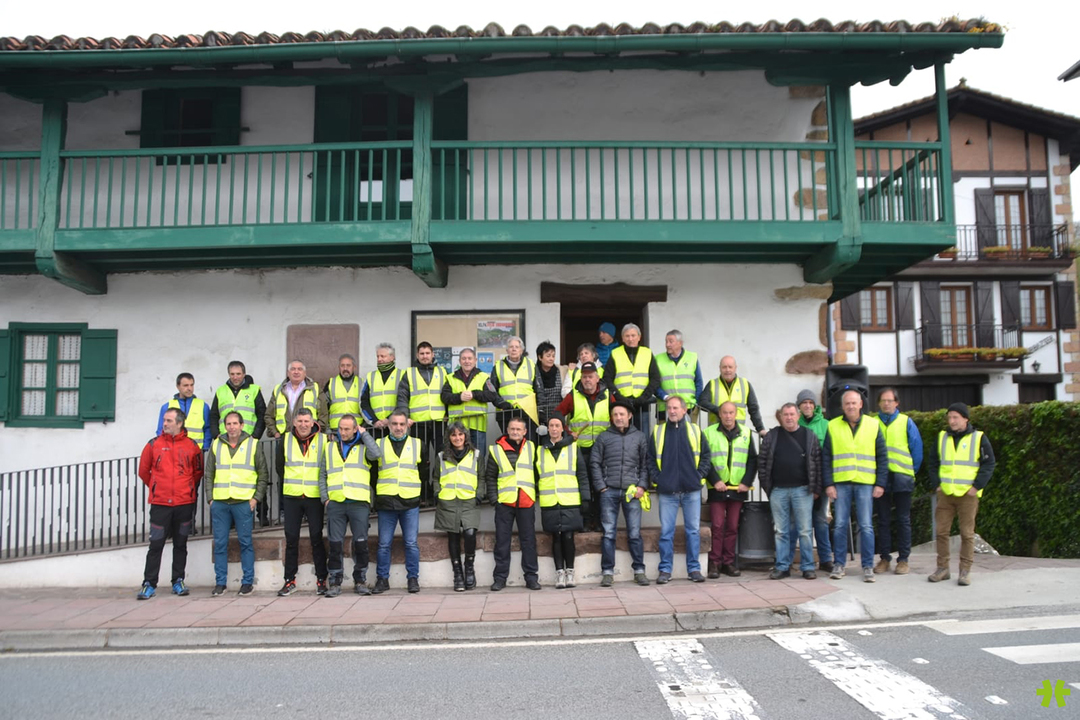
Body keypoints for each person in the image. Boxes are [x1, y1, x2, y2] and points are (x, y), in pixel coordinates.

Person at [137, 408, 204, 599]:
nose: (165, 424)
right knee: (155, 545)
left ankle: (178, 581)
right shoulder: (153, 444)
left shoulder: (192, 446)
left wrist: (186, 488)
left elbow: (198, 472)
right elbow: (143, 471)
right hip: (160, 504)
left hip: (184, 503)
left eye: (169, 421)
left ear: (179, 423)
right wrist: (157, 487)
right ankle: (149, 583)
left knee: (180, 544)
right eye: (164, 420)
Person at [822, 390, 887, 583]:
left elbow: (882, 456)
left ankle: (867, 566)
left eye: (854, 403)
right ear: (842, 406)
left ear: (860, 404)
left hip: (865, 482)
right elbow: (826, 457)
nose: (850, 406)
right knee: (840, 525)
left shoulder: (873, 425)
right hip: (841, 482)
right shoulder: (832, 425)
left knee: (866, 526)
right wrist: (828, 484)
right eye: (847, 403)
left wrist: (880, 483)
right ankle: (839, 564)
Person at [928, 403, 995, 586]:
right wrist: (937, 485)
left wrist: (976, 486)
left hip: (967, 494)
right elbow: (933, 462)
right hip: (946, 493)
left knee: (967, 534)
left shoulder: (978, 438)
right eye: (949, 417)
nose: (952, 421)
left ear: (966, 419)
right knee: (941, 532)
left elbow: (989, 464)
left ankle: (965, 571)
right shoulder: (942, 437)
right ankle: (942, 568)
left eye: (955, 417)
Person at [648, 396, 712, 584]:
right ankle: (665, 570)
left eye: (675, 408)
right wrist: (658, 479)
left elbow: (706, 456)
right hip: (667, 491)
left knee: (693, 532)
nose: (672, 411)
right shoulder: (658, 431)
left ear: (684, 410)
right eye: (669, 408)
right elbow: (650, 459)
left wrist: (698, 476)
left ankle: (694, 569)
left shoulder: (695, 431)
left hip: (691, 490)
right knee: (666, 533)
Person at [205, 411, 268, 596]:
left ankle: (247, 582)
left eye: (235, 423)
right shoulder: (216, 444)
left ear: (242, 425)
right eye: (228, 424)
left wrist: (255, 499)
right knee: (220, 544)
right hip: (220, 502)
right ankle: (220, 583)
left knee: (245, 543)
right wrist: (210, 498)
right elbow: (209, 474)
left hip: (243, 502)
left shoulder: (253, 444)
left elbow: (263, 474)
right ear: (225, 426)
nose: (231, 427)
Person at [589, 400, 650, 587]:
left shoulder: (639, 437)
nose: (618, 418)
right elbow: (594, 462)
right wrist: (601, 486)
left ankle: (639, 571)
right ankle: (607, 572)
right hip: (609, 491)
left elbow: (646, 464)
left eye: (622, 414)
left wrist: (642, 486)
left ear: (629, 416)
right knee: (608, 533)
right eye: (615, 414)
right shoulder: (603, 437)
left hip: (633, 492)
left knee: (634, 533)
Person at [319, 414, 381, 597]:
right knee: (335, 544)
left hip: (358, 502)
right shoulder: (330, 447)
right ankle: (335, 581)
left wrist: (364, 434)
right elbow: (322, 474)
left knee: (361, 543)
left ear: (355, 429)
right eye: (340, 428)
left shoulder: (364, 447)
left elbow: (377, 454)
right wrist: (325, 499)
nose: (343, 432)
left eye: (347, 429)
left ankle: (360, 580)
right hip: (336, 502)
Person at [760, 403, 823, 580]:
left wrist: (816, 488)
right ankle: (782, 566)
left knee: (805, 531)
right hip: (778, 490)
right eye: (785, 414)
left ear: (798, 416)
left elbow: (817, 463)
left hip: (803, 490)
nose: (789, 418)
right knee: (781, 531)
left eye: (792, 414)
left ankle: (808, 567)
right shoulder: (772, 436)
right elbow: (762, 462)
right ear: (781, 417)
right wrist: (768, 487)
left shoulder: (809, 436)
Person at [274, 408, 328, 596]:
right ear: (294, 422)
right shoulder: (285, 440)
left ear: (313, 422)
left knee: (316, 538)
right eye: (300, 421)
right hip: (292, 496)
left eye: (307, 421)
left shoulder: (324, 440)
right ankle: (289, 581)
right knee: (291, 539)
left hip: (314, 496)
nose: (304, 425)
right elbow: (279, 467)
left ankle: (322, 580)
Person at [702, 401, 758, 578]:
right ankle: (714, 563)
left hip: (737, 488)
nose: (728, 416)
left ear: (736, 414)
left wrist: (746, 482)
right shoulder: (709, 432)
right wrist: (715, 480)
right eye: (725, 413)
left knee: (733, 526)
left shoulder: (746, 433)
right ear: (719, 414)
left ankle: (728, 562)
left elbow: (752, 460)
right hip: (717, 488)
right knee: (718, 526)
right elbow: (705, 459)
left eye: (731, 412)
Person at [372, 411, 425, 594]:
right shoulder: (379, 444)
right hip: (386, 501)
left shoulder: (417, 444)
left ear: (407, 425)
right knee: (384, 544)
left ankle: (413, 579)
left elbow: (423, 471)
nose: (398, 427)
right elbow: (373, 472)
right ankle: (382, 579)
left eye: (402, 424)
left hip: (410, 500)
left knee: (411, 543)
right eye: (394, 424)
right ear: (388, 425)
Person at [485, 417, 541, 591]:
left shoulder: (532, 447)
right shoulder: (496, 449)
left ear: (525, 432)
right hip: (504, 502)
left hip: (526, 500)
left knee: (529, 542)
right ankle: (500, 578)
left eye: (518, 429)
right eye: (512, 429)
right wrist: (494, 499)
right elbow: (490, 476)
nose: (515, 432)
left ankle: (531, 578)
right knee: (502, 542)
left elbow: (537, 472)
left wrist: (535, 493)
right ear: (507, 430)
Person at [537, 413, 591, 589]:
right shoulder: (540, 450)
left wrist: (585, 498)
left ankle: (570, 571)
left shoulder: (573, 448)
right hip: (549, 500)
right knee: (556, 537)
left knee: (568, 536)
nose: (554, 429)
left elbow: (582, 475)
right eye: (551, 426)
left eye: (557, 426)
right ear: (547, 429)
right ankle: (559, 572)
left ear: (562, 429)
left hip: (569, 499)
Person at [874, 387, 923, 576]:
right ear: (879, 403)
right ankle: (884, 558)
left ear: (897, 403)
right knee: (883, 520)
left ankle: (903, 560)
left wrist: (911, 471)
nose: (886, 403)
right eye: (883, 400)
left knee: (903, 520)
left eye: (890, 400)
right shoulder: (872, 423)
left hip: (902, 476)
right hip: (881, 478)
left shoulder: (906, 422)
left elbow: (916, 449)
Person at [556, 361, 609, 532]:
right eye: (584, 377)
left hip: (602, 450)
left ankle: (599, 521)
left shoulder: (608, 395)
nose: (587, 380)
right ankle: (585, 521)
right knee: (583, 488)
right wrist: (567, 432)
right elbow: (557, 414)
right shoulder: (573, 395)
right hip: (580, 450)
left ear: (597, 378)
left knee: (600, 487)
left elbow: (618, 415)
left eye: (590, 377)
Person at [432, 421, 482, 592]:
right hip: (448, 501)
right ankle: (458, 574)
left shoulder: (476, 455)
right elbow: (436, 477)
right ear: (449, 437)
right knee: (453, 536)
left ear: (465, 436)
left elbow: (481, 476)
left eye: (460, 434)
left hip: (469, 500)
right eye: (453, 435)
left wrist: (479, 494)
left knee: (470, 533)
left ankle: (469, 568)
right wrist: (437, 493)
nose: (457, 438)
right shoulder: (441, 456)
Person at [397, 341, 448, 503]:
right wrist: (405, 417)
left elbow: (448, 394)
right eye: (422, 353)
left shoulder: (442, 372)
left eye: (427, 353)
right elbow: (402, 397)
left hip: (439, 421)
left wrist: (448, 414)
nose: (425, 356)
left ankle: (438, 490)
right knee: (420, 459)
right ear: (417, 355)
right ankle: (423, 492)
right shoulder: (409, 373)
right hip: (418, 423)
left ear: (433, 355)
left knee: (442, 457)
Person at [794, 388, 833, 572]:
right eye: (804, 403)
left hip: (820, 481)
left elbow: (828, 455)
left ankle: (825, 559)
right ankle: (804, 560)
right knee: (802, 524)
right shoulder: (795, 424)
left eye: (810, 402)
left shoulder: (826, 425)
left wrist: (825, 481)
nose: (808, 406)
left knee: (820, 521)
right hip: (800, 482)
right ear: (799, 406)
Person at [442, 347, 507, 458]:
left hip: (477, 425)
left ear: (475, 360)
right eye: (464, 359)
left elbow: (492, 394)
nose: (467, 361)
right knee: (457, 456)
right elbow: (444, 397)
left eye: (469, 358)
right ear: (459, 361)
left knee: (478, 456)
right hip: (457, 426)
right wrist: (459, 397)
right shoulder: (450, 378)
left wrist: (474, 394)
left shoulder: (484, 377)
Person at [603, 323, 660, 432]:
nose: (630, 339)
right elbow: (607, 378)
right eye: (627, 336)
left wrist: (644, 397)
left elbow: (655, 378)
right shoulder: (615, 354)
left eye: (633, 335)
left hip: (642, 404)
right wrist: (618, 396)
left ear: (639, 337)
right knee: (621, 435)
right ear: (622, 338)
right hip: (621, 404)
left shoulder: (647, 353)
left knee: (642, 435)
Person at [698, 356, 766, 437]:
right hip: (716, 434)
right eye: (724, 367)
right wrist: (718, 410)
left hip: (738, 434)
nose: (727, 370)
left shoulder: (745, 384)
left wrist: (760, 429)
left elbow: (753, 409)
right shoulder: (712, 384)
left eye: (730, 367)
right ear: (720, 368)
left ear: (735, 368)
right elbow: (702, 402)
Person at [209, 360, 266, 442]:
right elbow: (213, 416)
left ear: (244, 374)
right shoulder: (220, 391)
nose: (235, 377)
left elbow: (262, 414)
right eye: (232, 374)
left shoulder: (254, 390)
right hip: (225, 438)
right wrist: (216, 435)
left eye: (238, 374)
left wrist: (255, 436)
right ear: (229, 374)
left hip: (248, 438)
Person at [655, 329, 703, 424]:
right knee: (664, 433)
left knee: (689, 432)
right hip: (665, 407)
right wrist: (665, 397)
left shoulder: (692, 358)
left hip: (689, 406)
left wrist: (696, 403)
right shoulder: (658, 359)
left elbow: (698, 382)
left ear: (680, 343)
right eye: (666, 341)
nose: (667, 344)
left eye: (671, 341)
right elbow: (654, 383)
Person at [491, 336, 536, 435]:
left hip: (527, 412)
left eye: (517, 347)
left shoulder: (531, 365)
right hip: (505, 412)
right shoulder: (498, 366)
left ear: (521, 350)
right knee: (508, 442)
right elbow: (492, 390)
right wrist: (501, 403)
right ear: (507, 350)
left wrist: (540, 410)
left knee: (527, 441)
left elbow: (539, 389)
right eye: (511, 347)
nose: (514, 349)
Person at [265, 360, 321, 438]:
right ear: (288, 373)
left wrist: (317, 432)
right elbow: (268, 415)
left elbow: (323, 415)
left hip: (309, 437)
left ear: (305, 373)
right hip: (283, 437)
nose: (296, 372)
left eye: (299, 369)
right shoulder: (278, 390)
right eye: (293, 369)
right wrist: (275, 433)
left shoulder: (315, 389)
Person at [157, 373, 211, 451]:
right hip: (173, 451)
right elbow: (160, 430)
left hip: (196, 451)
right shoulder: (167, 406)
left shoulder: (203, 406)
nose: (189, 388)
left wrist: (204, 448)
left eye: (191, 385)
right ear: (178, 386)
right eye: (185, 385)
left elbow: (208, 429)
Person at [362, 343, 403, 438]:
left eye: (382, 356)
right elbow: (363, 402)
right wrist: (374, 421)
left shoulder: (402, 375)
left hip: (396, 426)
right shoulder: (370, 376)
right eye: (377, 356)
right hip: (375, 427)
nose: (379, 359)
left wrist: (390, 419)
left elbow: (404, 402)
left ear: (392, 357)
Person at [321, 354, 361, 439]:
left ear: (354, 367)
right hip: (335, 432)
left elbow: (366, 407)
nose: (345, 368)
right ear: (339, 367)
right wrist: (327, 431)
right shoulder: (331, 383)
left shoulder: (361, 384)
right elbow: (323, 409)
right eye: (342, 366)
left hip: (356, 431)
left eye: (348, 365)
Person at [534, 340, 562, 427]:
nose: (551, 359)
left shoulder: (560, 371)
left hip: (557, 416)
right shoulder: (533, 372)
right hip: (538, 416)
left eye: (553, 356)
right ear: (540, 357)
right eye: (548, 356)